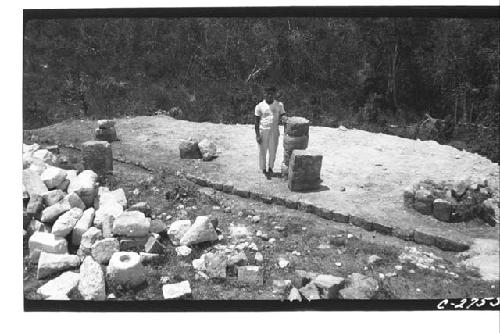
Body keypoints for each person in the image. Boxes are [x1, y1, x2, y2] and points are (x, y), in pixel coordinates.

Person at [254, 86, 287, 179]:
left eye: (271, 93)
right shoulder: (259, 106)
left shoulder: (279, 105)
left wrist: (284, 117)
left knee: (273, 150)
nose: (269, 95)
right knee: (262, 150)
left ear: (274, 94)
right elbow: (256, 122)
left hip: (274, 131)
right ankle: (263, 168)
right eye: (267, 93)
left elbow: (283, 114)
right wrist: (257, 135)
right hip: (263, 130)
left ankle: (271, 168)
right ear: (264, 94)